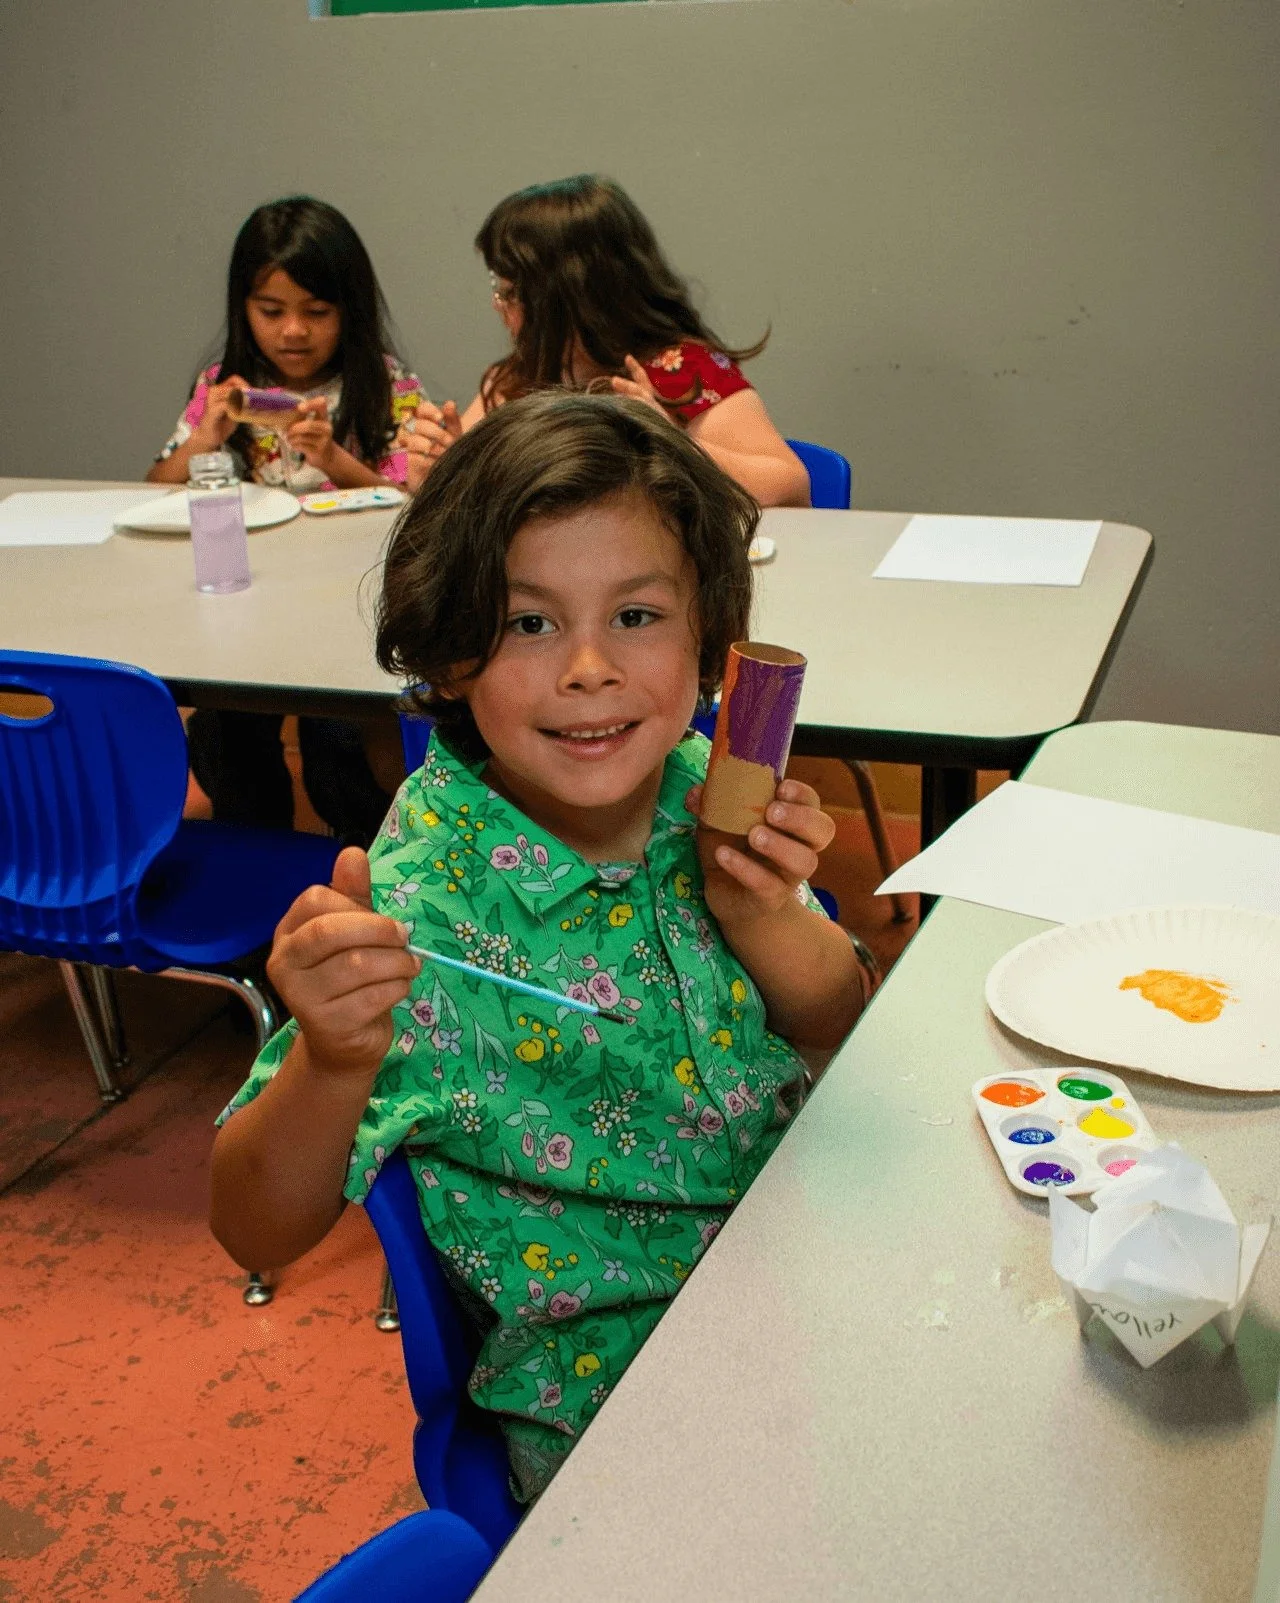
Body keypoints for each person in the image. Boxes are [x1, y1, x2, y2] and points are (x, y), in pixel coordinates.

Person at [209, 393, 864, 1503]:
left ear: (708, 637)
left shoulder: (703, 787)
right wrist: (332, 1056)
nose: (589, 670)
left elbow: (840, 1023)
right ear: (452, 654)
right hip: (628, 1411)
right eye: (529, 623)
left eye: (639, 617)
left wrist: (757, 910)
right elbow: (251, 1223)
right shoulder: (416, 921)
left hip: (808, 1272)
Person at [149, 196, 426, 844]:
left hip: (345, 610)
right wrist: (203, 441)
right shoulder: (222, 386)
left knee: (338, 743)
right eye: (271, 311)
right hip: (243, 609)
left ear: (348, 312)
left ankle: (357, 855)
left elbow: (409, 509)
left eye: (316, 312)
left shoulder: (384, 385)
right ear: (242, 309)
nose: (293, 331)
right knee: (224, 733)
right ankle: (249, 854)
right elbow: (157, 490)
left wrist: (330, 455)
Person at [397, 175, 811, 508]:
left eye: (511, 293)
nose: (498, 306)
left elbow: (791, 484)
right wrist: (438, 472)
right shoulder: (515, 380)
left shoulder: (680, 370)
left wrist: (672, 443)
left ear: (572, 296)